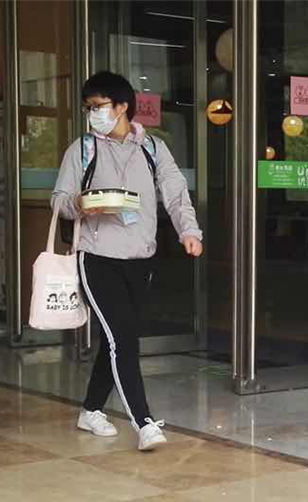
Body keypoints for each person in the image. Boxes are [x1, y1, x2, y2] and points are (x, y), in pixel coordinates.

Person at [51, 71, 203, 451]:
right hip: (96, 257)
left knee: (117, 339)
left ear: (122, 106)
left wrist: (189, 231)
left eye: (98, 106)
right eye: (89, 108)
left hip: (140, 258)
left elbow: (175, 193)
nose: (93, 114)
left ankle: (90, 410)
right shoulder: (82, 149)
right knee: (124, 339)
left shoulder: (153, 148)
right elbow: (60, 200)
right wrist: (81, 204)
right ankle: (144, 423)